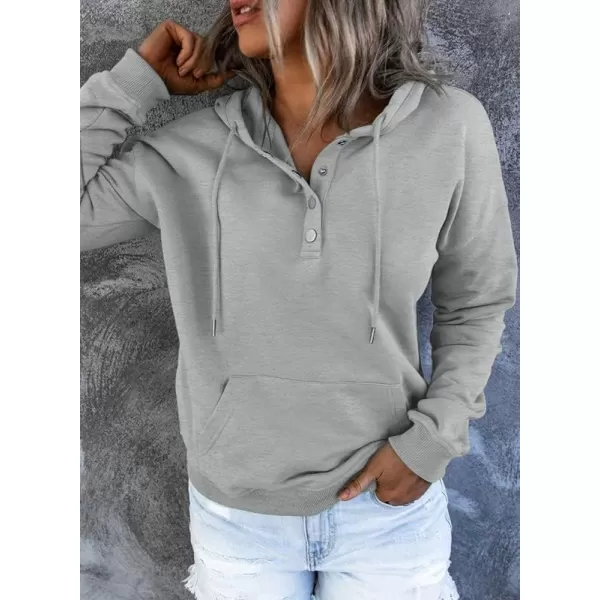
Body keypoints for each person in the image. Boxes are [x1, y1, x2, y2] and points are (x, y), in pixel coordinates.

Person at [80, 0, 518, 598]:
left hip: (388, 504)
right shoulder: (191, 149)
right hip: (239, 514)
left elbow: (478, 300)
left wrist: (433, 441)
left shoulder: (448, 125)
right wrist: (135, 84)